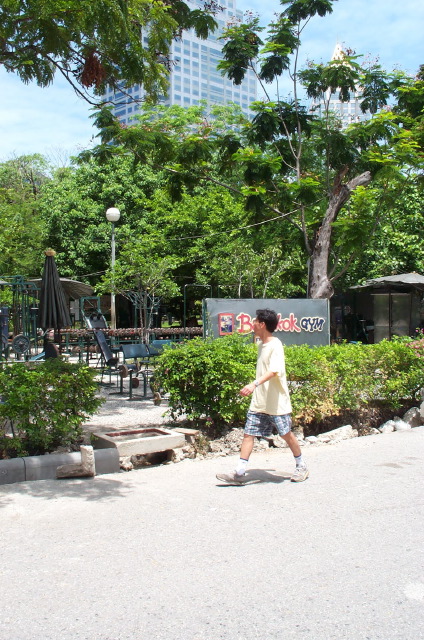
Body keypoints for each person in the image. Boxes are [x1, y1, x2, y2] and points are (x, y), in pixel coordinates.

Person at [216, 308, 309, 484]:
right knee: (248, 434)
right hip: (259, 401)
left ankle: (301, 465)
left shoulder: (276, 345)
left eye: (255, 321)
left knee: (286, 434)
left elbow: (274, 371)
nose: (252, 324)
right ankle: (239, 472)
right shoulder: (261, 344)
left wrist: (254, 384)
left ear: (262, 324)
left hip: (276, 401)